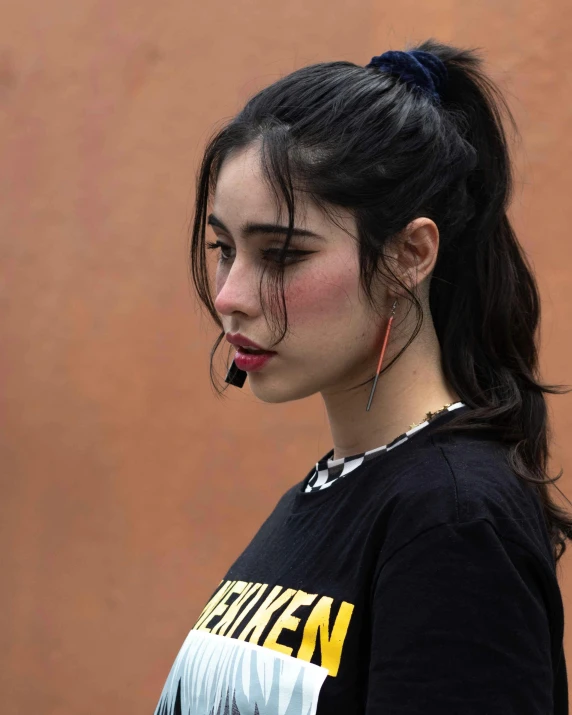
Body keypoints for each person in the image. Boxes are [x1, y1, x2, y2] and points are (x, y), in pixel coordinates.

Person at [153, 38, 571, 715]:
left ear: (410, 253)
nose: (230, 293)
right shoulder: (332, 495)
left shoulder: (453, 517)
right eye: (224, 249)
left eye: (282, 254)